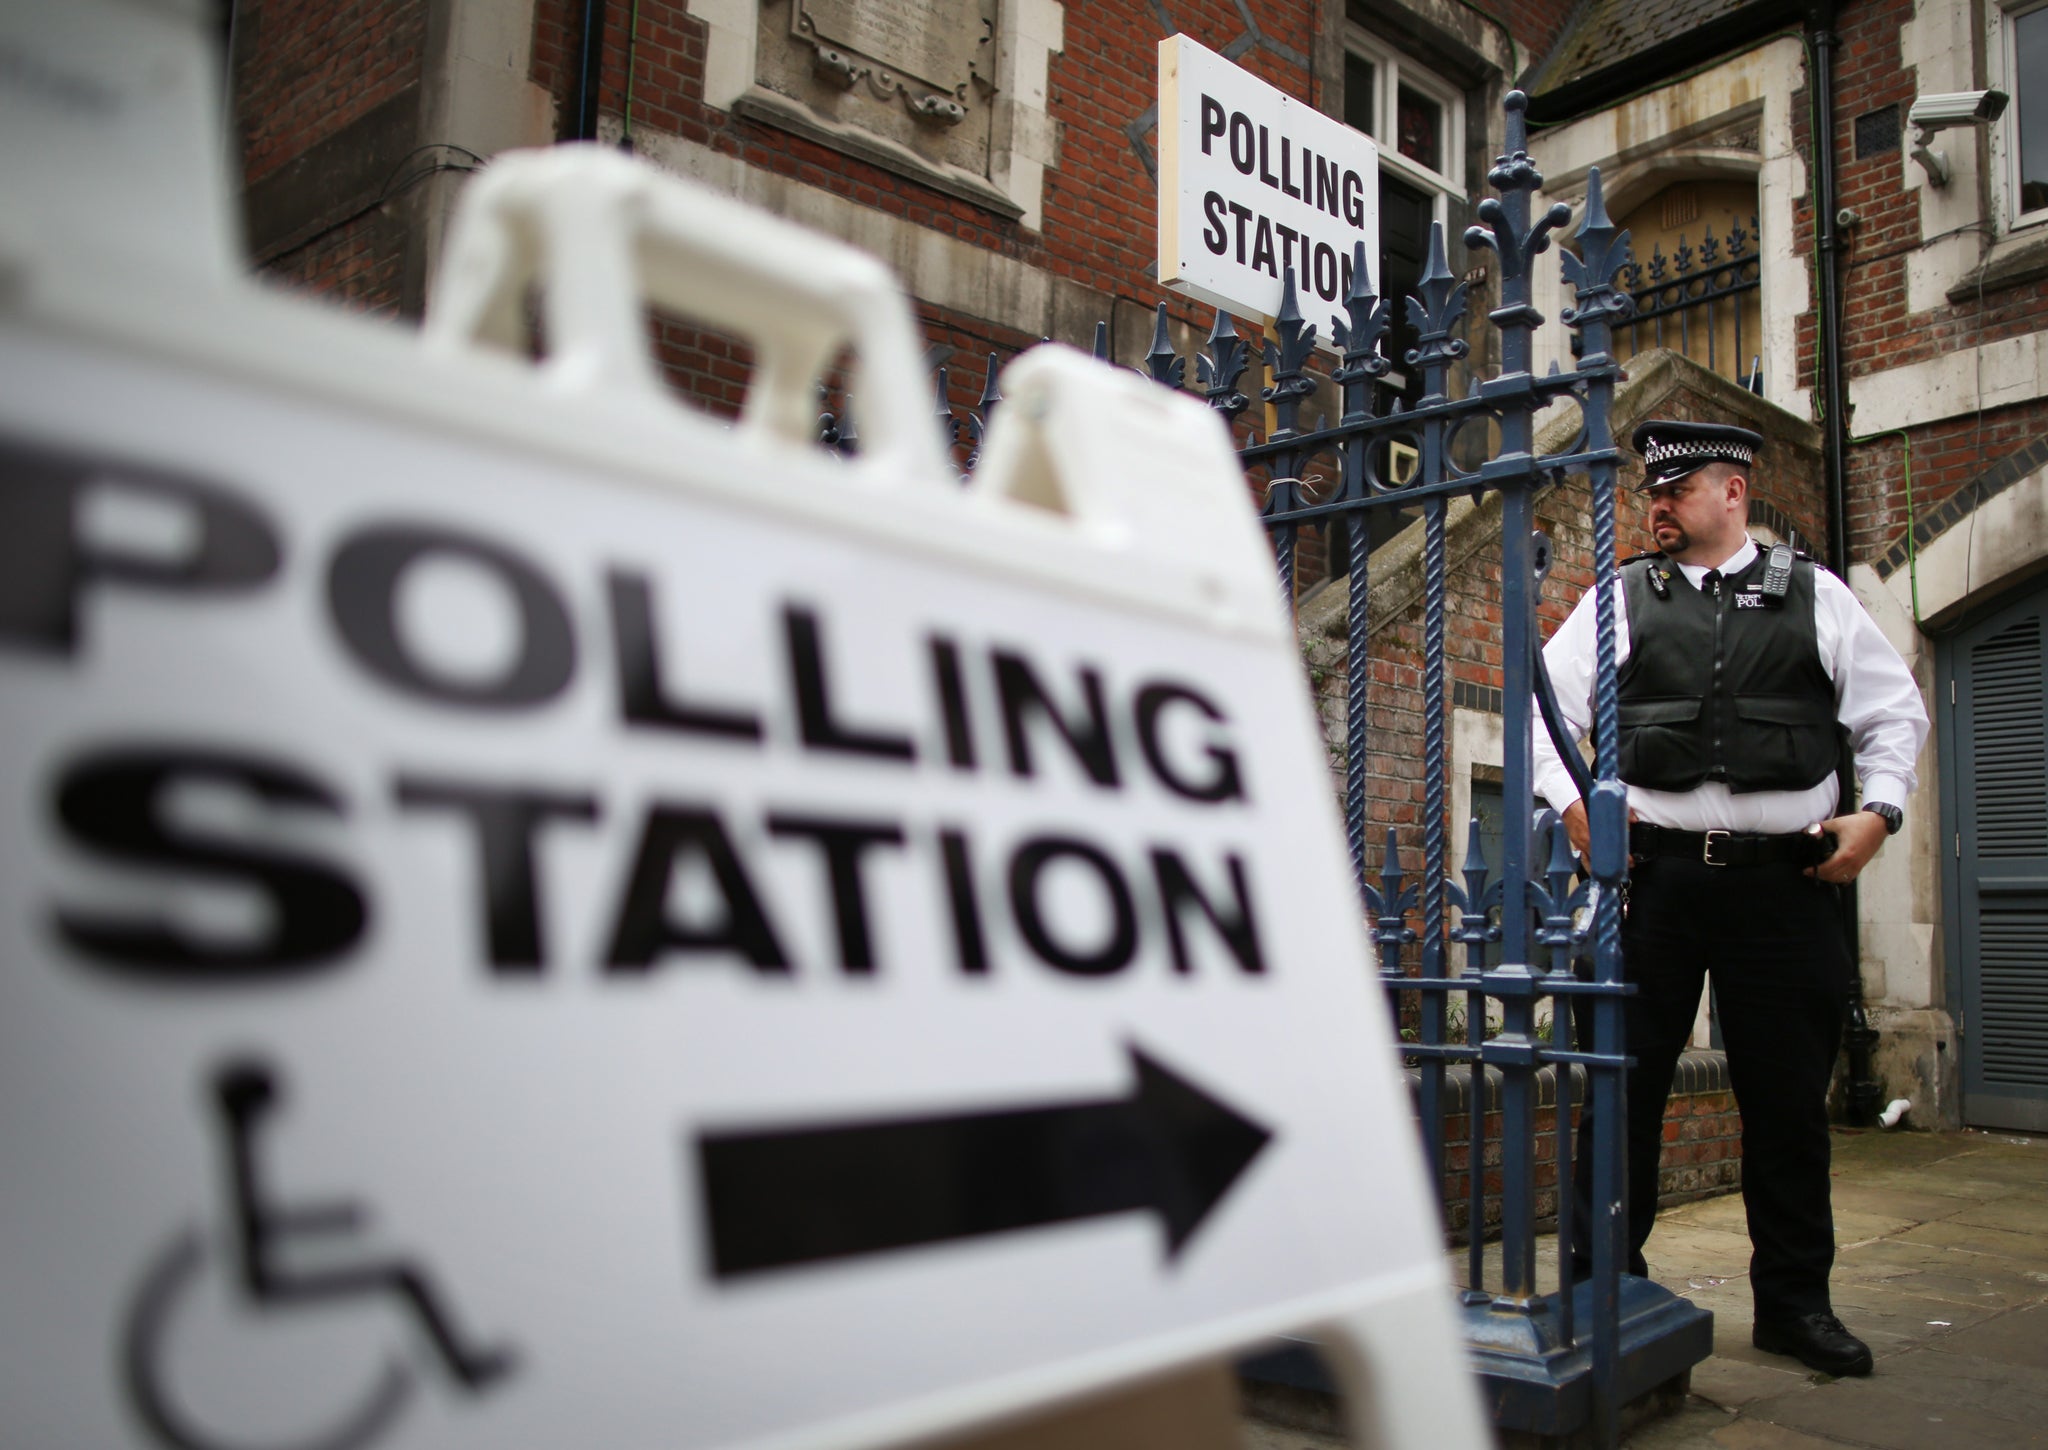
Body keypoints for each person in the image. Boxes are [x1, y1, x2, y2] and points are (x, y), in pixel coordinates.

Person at [1534, 419, 1928, 1378]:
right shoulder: (1619, 597)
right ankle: (1598, 1295)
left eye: (1677, 490)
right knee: (1622, 1094)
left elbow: (1893, 713)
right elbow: (1544, 706)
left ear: (1734, 493)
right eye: (1651, 493)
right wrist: (1580, 810)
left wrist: (1879, 815)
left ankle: (1795, 1305)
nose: (1657, 507)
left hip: (1786, 885)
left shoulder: (1817, 597)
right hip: (1656, 883)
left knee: (1787, 1105)